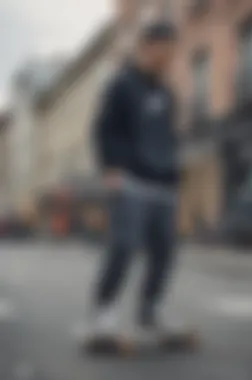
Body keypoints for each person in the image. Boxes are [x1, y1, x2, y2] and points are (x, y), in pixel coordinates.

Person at [88, 21, 181, 339]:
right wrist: (111, 168)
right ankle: (104, 312)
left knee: (165, 251)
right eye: (164, 51)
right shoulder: (122, 84)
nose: (169, 58)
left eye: (172, 52)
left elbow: (167, 136)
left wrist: (173, 174)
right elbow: (103, 128)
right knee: (124, 246)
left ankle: (150, 312)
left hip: (163, 183)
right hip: (129, 180)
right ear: (147, 47)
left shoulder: (166, 93)